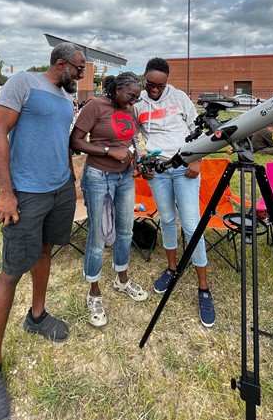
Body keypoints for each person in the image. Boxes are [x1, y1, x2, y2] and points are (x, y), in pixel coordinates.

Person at [0, 42, 87, 420]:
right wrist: (6, 193)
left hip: (59, 189)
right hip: (26, 193)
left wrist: (71, 181)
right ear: (61, 64)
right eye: (80, 69)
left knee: (44, 252)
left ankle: (37, 316)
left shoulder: (64, 98)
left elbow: (59, 143)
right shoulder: (22, 83)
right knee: (11, 270)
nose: (82, 75)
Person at [132, 57, 217, 328]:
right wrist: (141, 163)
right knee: (167, 221)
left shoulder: (180, 98)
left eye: (159, 85)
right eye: (150, 84)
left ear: (167, 81)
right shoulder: (138, 103)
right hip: (157, 170)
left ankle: (203, 287)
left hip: (185, 168)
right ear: (144, 80)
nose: (154, 90)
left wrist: (198, 159)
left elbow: (199, 131)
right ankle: (171, 269)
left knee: (192, 226)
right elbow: (134, 138)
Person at [70, 72, 149, 328]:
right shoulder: (95, 105)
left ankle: (121, 280)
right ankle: (93, 291)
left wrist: (135, 161)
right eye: (130, 96)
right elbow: (75, 141)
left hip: (125, 177)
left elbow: (131, 139)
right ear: (117, 89)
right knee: (96, 236)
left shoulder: (131, 108)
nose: (132, 103)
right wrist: (107, 151)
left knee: (126, 230)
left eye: (137, 98)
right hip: (97, 176)